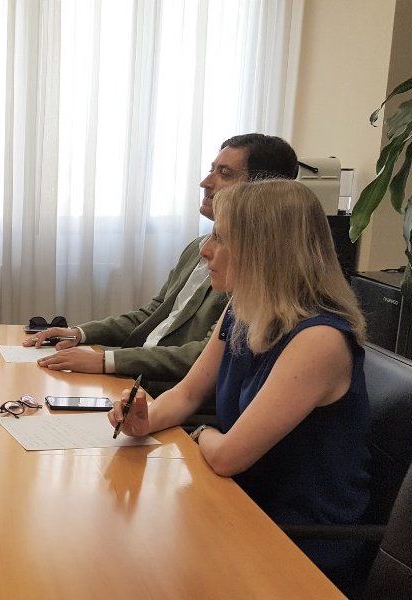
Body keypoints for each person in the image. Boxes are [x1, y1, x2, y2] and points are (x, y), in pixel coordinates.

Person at [109, 179, 370, 589]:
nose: (205, 249)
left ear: (264, 250)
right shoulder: (243, 308)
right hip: (237, 504)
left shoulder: (319, 340)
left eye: (221, 237)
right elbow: (187, 393)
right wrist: (145, 419)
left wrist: (200, 432)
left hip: (296, 542)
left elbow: (229, 457)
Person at [27, 133, 299, 396]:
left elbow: (205, 357)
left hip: (166, 390)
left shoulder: (262, 268)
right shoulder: (198, 247)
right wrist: (79, 333)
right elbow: (153, 313)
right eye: (211, 170)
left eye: (224, 173)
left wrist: (106, 360)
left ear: (262, 190)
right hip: (136, 377)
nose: (205, 182)